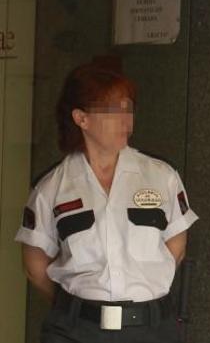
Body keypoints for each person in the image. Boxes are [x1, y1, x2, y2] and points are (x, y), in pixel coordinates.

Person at [15, 63, 198, 343]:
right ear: (81, 118)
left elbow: (177, 244)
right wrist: (80, 303)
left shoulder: (162, 176)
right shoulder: (51, 187)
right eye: (113, 111)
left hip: (150, 330)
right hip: (75, 331)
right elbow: (35, 265)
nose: (126, 120)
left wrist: (141, 286)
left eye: (129, 108)